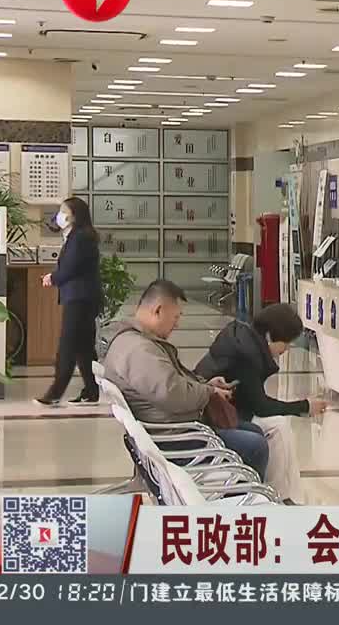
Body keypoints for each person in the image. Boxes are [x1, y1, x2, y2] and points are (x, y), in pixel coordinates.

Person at [101, 279, 269, 479]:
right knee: (255, 446)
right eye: (176, 316)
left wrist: (205, 385)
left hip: (168, 426)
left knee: (253, 430)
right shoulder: (139, 349)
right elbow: (173, 393)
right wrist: (209, 392)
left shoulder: (137, 341)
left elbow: (171, 382)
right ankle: (243, 495)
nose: (177, 324)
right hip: (173, 438)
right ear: (158, 310)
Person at [195, 303, 326, 503]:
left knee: (279, 426)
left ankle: (287, 495)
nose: (287, 349)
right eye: (285, 342)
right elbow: (261, 406)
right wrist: (305, 406)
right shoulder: (247, 354)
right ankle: (279, 496)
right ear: (270, 335)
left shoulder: (242, 339)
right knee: (278, 428)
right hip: (216, 416)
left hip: (222, 409)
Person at [36, 197, 103, 406]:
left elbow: (71, 267)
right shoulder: (78, 236)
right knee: (83, 348)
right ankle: (91, 390)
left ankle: (55, 393)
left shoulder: (80, 238)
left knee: (68, 346)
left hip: (79, 299)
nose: (60, 214)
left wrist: (53, 278)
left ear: (74, 215)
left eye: (63, 211)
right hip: (82, 298)